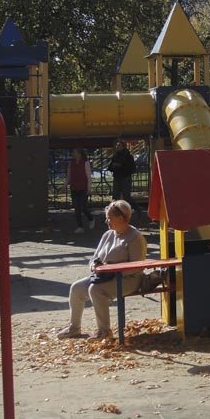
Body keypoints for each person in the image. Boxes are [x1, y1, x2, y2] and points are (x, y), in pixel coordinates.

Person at [57, 200, 147, 340]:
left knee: (96, 290)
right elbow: (94, 257)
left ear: (121, 218)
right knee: (77, 288)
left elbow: (137, 266)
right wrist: (94, 265)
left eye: (109, 217)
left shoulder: (135, 237)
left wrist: (112, 271)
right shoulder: (108, 235)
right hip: (104, 276)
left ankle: (104, 332)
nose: (106, 221)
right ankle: (74, 328)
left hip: (129, 279)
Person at [67, 148, 93, 234]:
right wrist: (64, 185)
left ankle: (91, 218)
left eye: (75, 152)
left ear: (80, 154)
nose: (73, 154)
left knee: (83, 207)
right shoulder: (71, 163)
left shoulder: (85, 163)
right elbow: (69, 176)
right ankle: (80, 226)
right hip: (74, 188)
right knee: (76, 208)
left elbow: (89, 176)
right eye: (73, 152)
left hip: (83, 188)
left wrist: (89, 189)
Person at [107, 139, 136, 211]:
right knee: (115, 195)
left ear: (123, 147)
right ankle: (115, 210)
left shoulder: (128, 156)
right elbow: (110, 167)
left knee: (126, 196)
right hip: (117, 177)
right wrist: (114, 166)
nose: (117, 147)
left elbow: (131, 168)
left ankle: (135, 209)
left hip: (125, 177)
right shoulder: (115, 155)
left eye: (118, 145)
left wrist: (120, 166)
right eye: (116, 145)